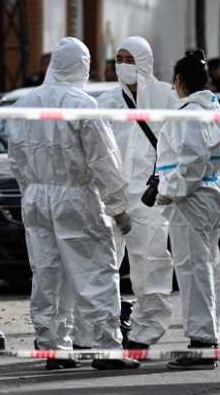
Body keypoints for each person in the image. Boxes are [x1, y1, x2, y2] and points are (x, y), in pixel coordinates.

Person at [7, 37, 138, 371]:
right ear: (82, 66)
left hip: (37, 199)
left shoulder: (24, 104)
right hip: (76, 197)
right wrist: (118, 206)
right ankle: (106, 348)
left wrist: (31, 192)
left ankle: (54, 348)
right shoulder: (84, 105)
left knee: (48, 274)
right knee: (95, 272)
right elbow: (103, 160)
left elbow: (17, 159)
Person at [94, 36, 175, 351]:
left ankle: (144, 333)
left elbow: (179, 142)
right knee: (103, 266)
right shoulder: (106, 103)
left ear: (145, 61)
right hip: (110, 198)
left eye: (130, 59)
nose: (123, 66)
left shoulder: (166, 97)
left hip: (149, 199)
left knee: (150, 264)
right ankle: (105, 331)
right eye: (119, 59)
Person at [155, 50, 220, 370]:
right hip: (211, 195)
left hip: (191, 200)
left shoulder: (189, 112)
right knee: (207, 267)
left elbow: (191, 162)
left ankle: (200, 344)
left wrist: (167, 190)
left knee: (193, 271)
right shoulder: (212, 107)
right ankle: (209, 337)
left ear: (178, 81)